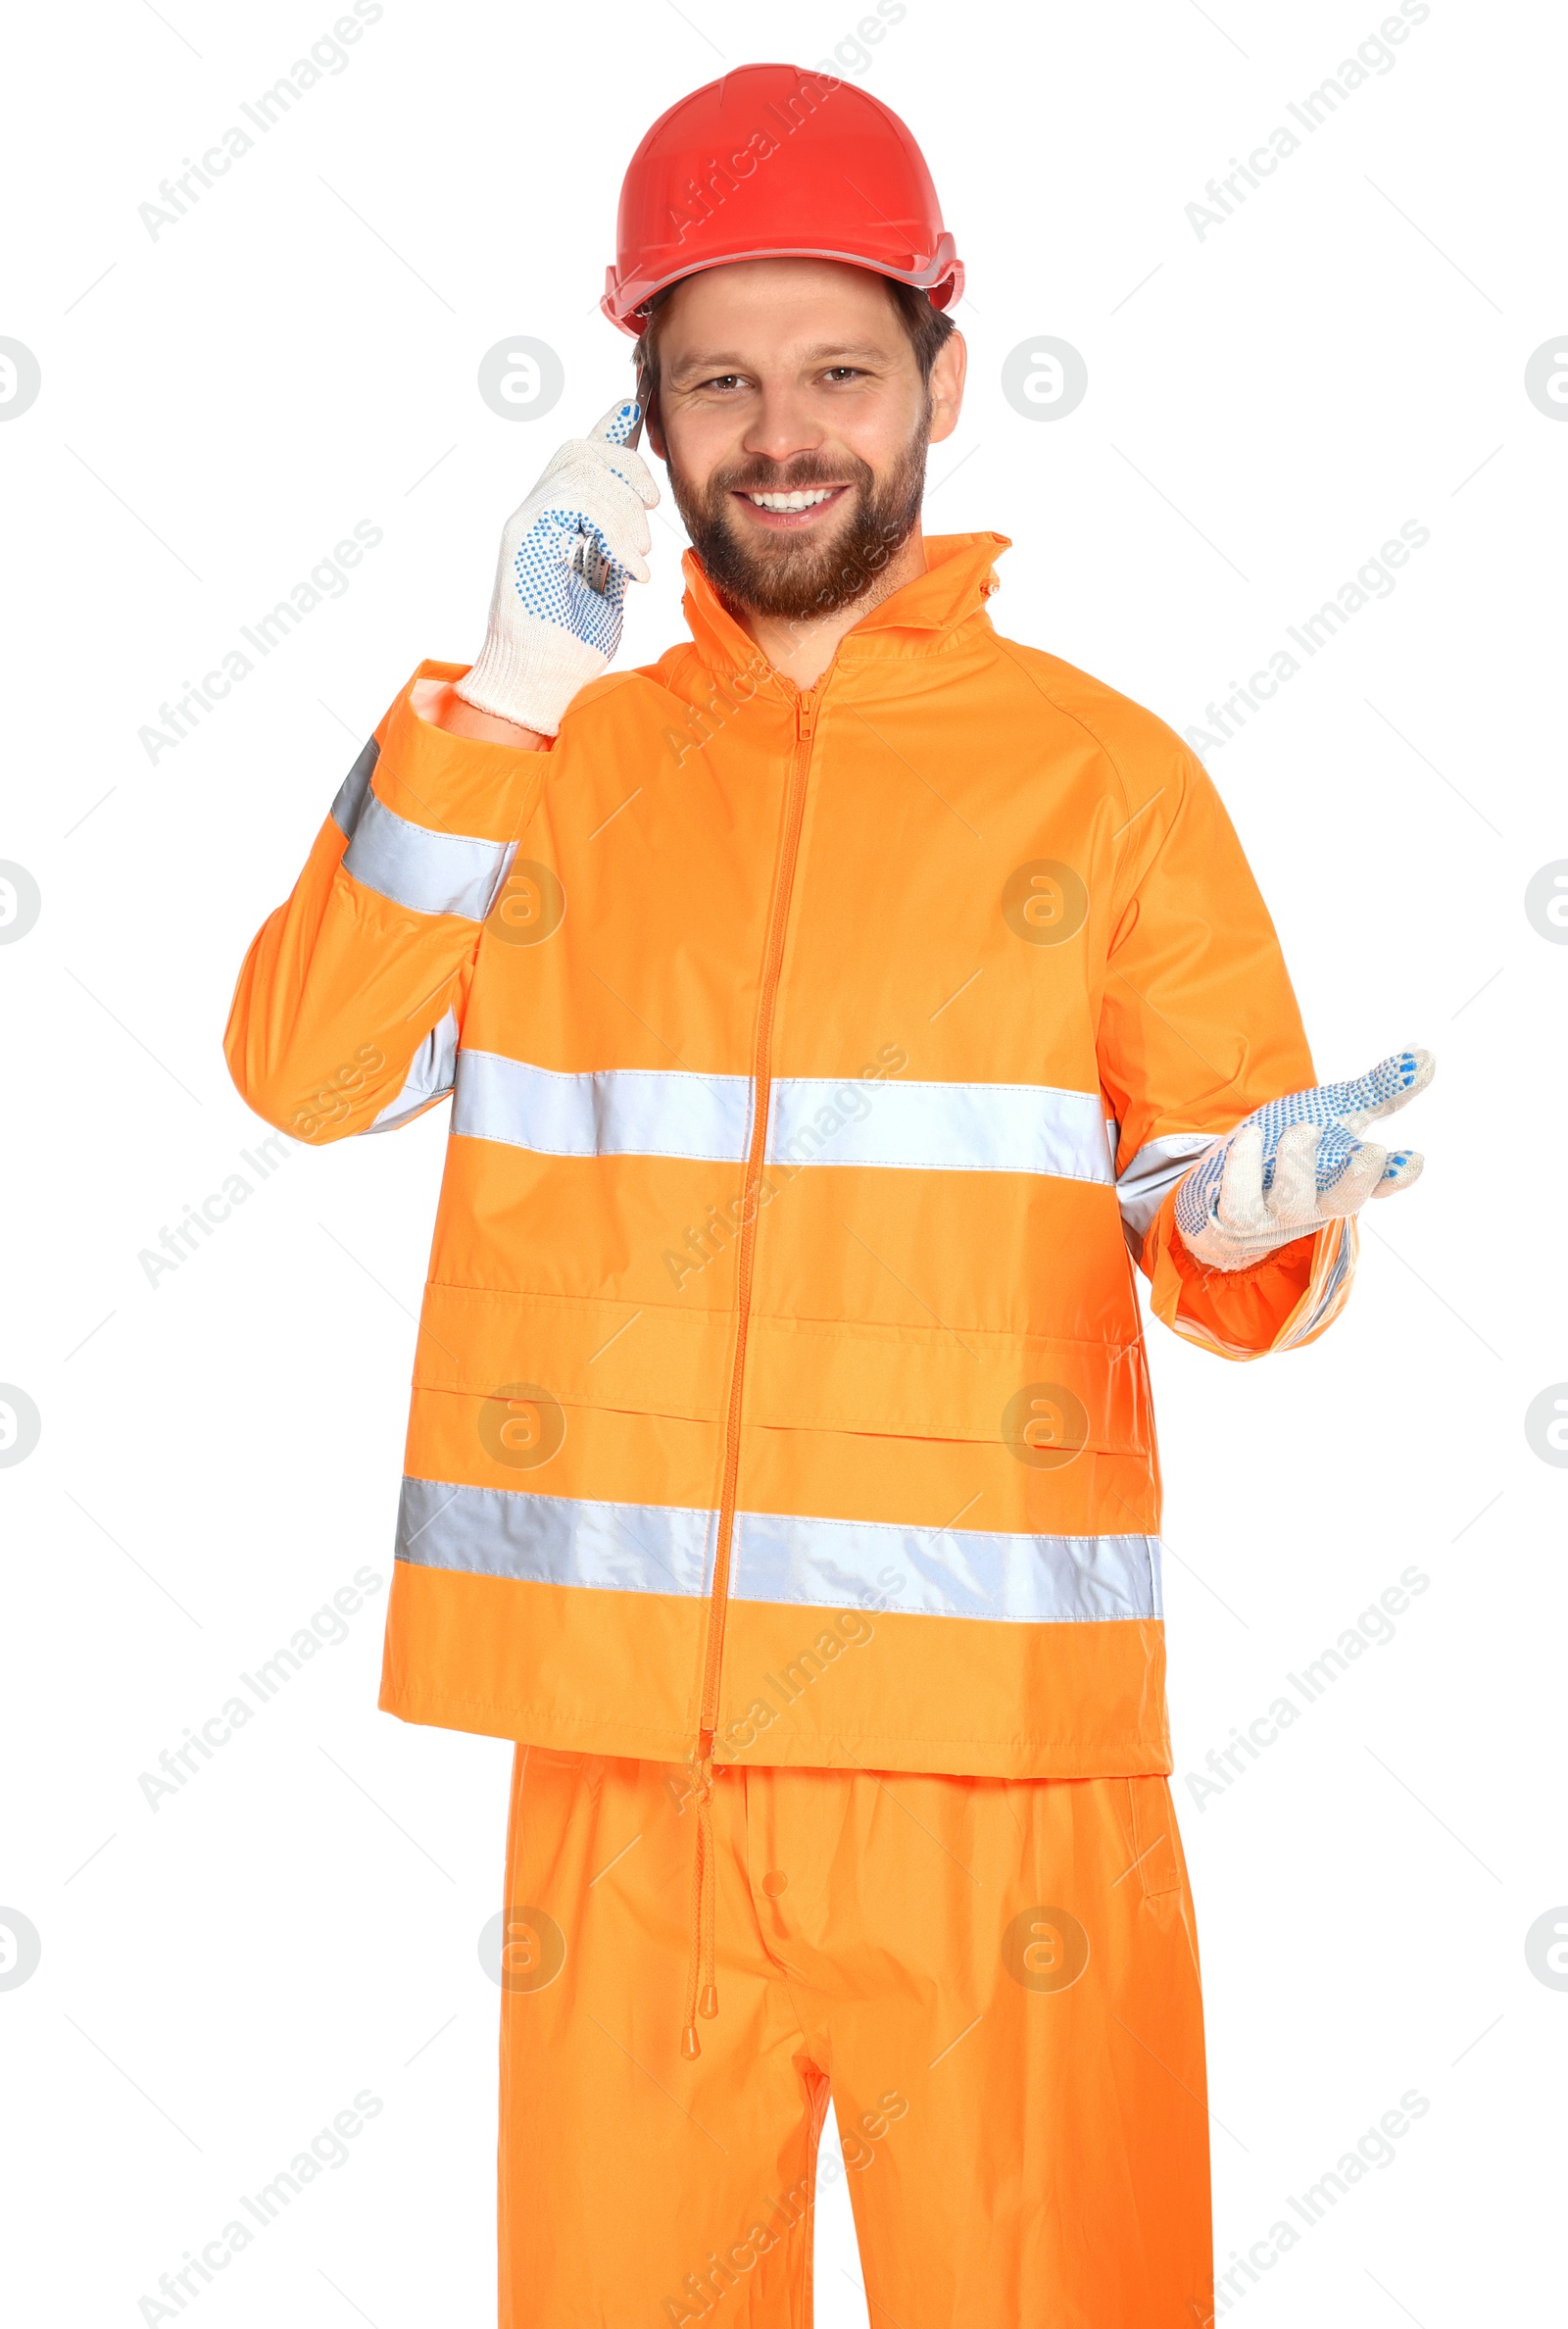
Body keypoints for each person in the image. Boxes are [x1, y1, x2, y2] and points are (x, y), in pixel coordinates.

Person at [224, 62, 1434, 2329]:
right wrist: (494, 702)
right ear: (642, 418)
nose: (782, 433)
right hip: (622, 1774)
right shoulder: (528, 757)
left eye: (839, 373)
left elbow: (1214, 1220)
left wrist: (1252, 1222)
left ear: (942, 383)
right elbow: (303, 1067)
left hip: (996, 1786)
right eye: (719, 380)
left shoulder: (1102, 777)